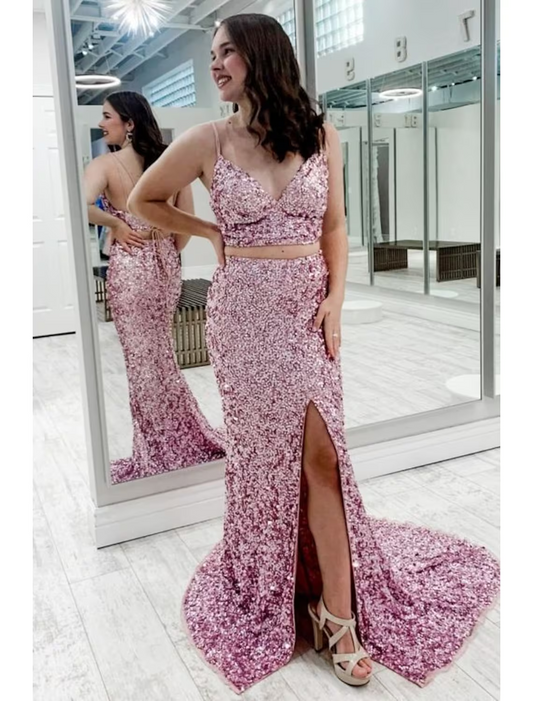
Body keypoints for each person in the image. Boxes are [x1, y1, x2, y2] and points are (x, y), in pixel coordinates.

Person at [128, 15, 499, 693]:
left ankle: (338, 614)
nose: (215, 64)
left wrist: (334, 299)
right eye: (211, 53)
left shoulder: (320, 133)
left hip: (305, 314)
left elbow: (334, 224)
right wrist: (207, 229)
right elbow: (142, 198)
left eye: (227, 52)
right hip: (243, 319)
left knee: (323, 456)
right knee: (262, 461)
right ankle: (275, 578)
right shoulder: (208, 139)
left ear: (263, 56)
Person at [84, 91, 224, 484]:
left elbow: (82, 204)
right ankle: (179, 436)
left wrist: (116, 224)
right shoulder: (169, 161)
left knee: (141, 361)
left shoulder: (103, 165)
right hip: (164, 266)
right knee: (161, 355)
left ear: (129, 123)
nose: (101, 123)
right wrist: (162, 247)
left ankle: (159, 444)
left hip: (130, 266)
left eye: (107, 116)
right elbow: (185, 227)